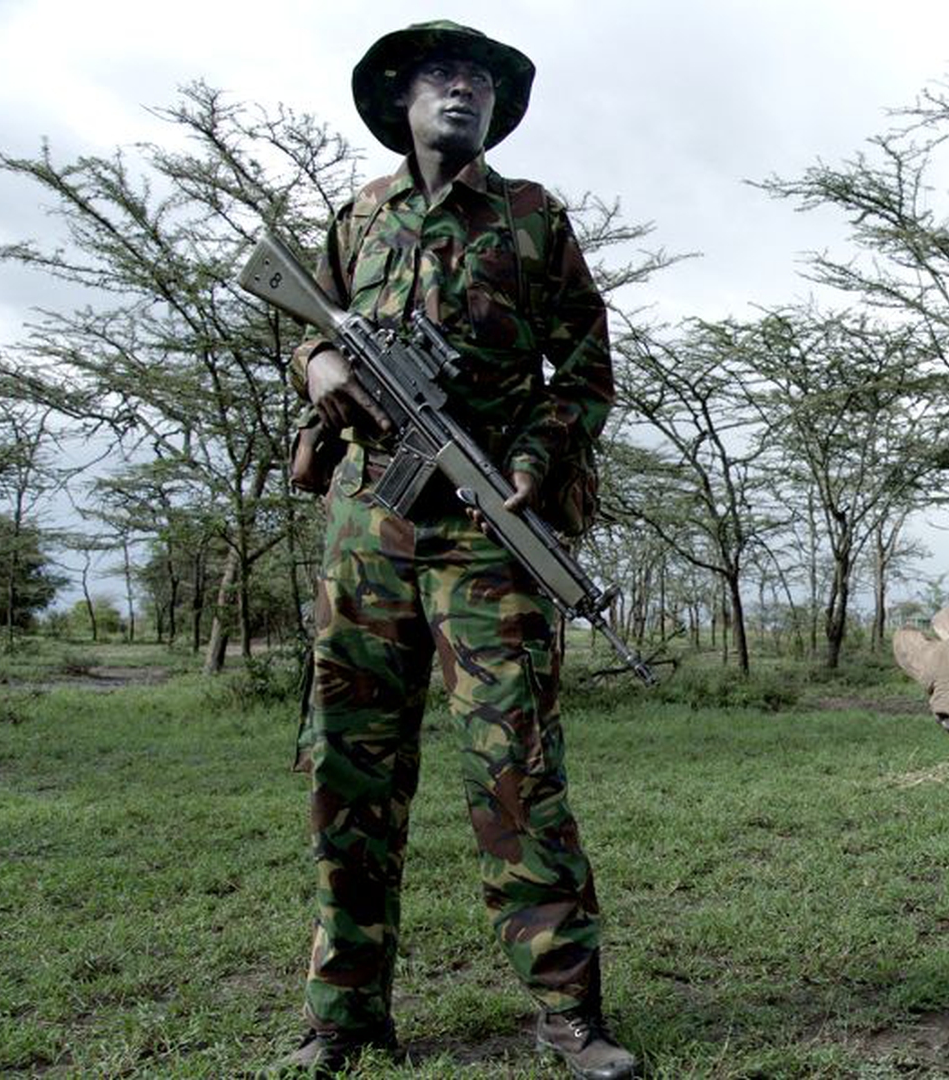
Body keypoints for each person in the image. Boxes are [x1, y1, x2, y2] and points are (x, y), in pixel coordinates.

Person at [277, 21, 634, 1080]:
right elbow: (300, 322)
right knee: (350, 771)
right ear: (401, 100)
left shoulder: (533, 221)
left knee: (516, 768)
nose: (461, 91)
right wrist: (315, 367)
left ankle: (570, 1014)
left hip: (486, 533)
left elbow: (585, 365)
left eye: (478, 79)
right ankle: (343, 1017)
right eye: (440, 77)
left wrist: (535, 450)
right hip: (366, 534)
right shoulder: (355, 218)